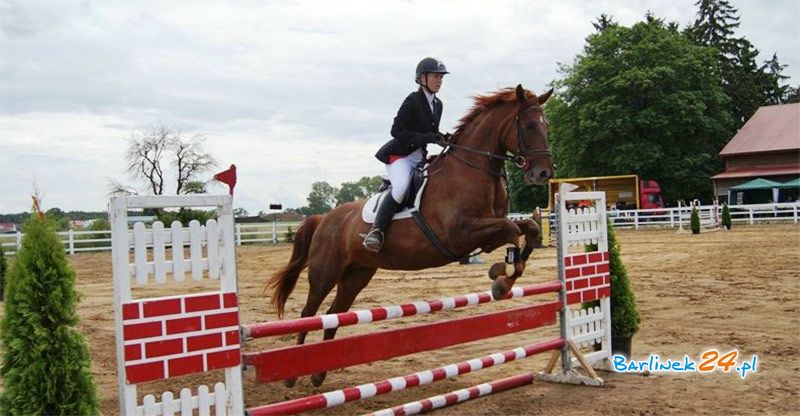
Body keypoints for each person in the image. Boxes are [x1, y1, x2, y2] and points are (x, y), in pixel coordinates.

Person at [362, 57, 449, 252]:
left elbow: (429, 130)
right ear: (422, 78)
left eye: (441, 77)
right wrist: (426, 137)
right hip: (399, 156)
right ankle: (376, 230)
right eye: (436, 76)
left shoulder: (438, 104)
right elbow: (397, 131)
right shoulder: (412, 100)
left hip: (419, 158)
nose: (439, 81)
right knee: (401, 187)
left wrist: (442, 137)